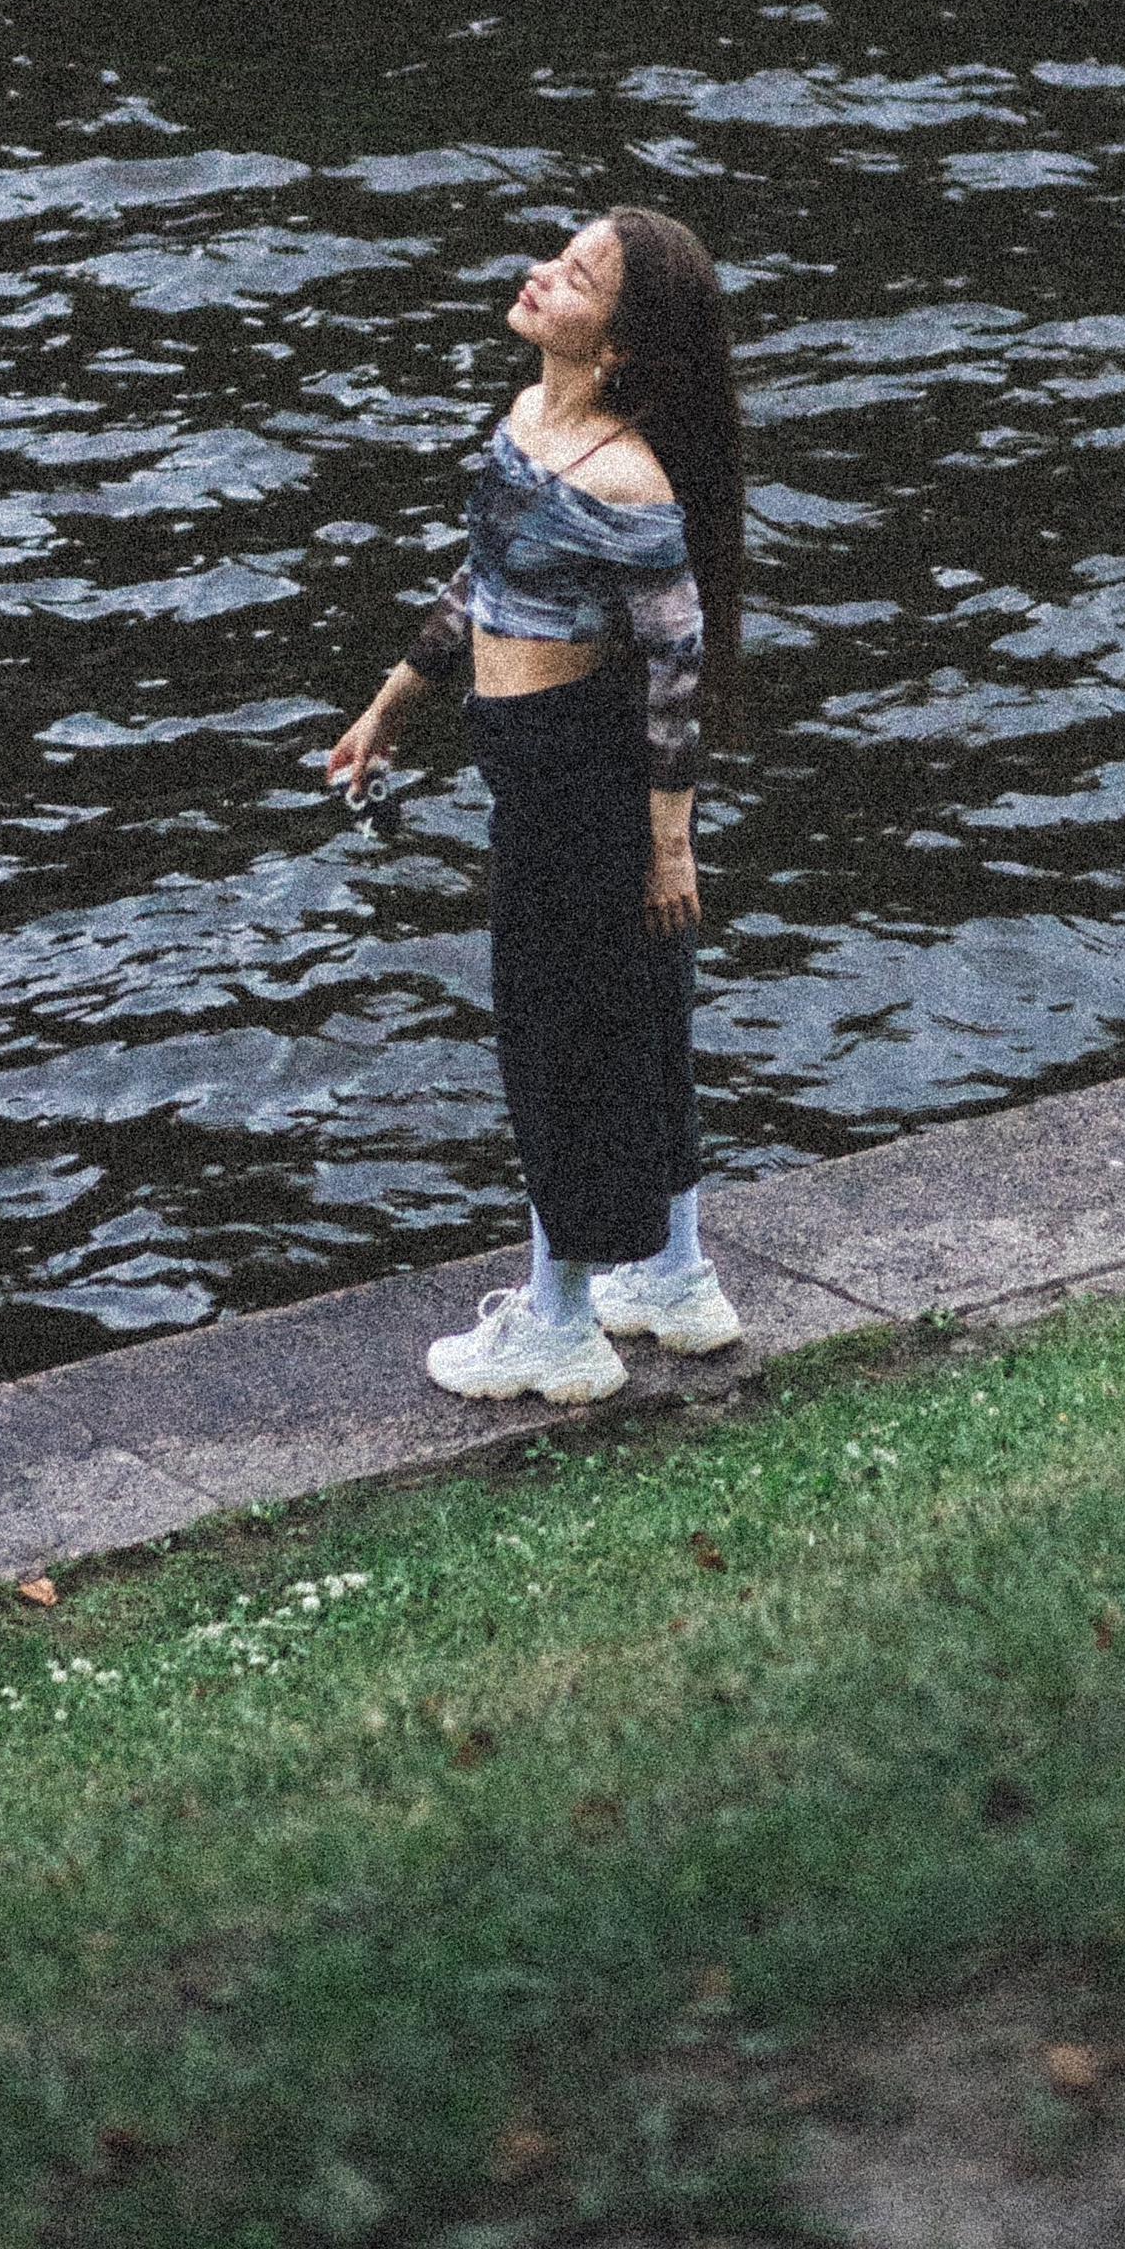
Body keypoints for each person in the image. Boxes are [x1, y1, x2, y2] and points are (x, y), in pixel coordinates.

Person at [327, 207, 747, 1404]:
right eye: (556, 258)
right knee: (639, 1020)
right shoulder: (530, 426)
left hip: (583, 779)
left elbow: (678, 671)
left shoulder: (625, 480)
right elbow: (487, 576)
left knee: (562, 1041)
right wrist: (391, 703)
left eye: (576, 279)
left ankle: (557, 1329)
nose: (541, 277)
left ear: (617, 346)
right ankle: (672, 1277)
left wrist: (667, 846)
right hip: (532, 756)